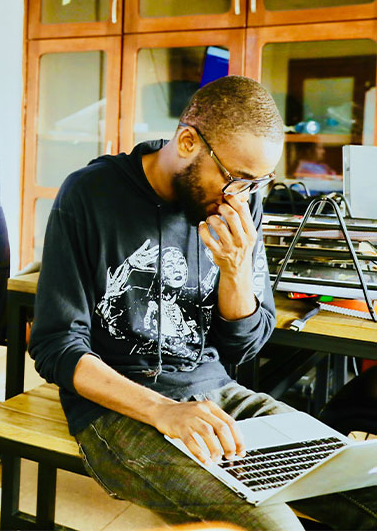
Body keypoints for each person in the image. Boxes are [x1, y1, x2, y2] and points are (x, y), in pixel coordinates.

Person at [28, 76, 377, 530]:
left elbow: (244, 347)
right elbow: (56, 345)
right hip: (117, 409)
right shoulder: (90, 195)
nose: (243, 197)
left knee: (363, 490)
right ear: (188, 141)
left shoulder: (237, 203)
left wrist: (234, 271)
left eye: (257, 184)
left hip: (219, 396)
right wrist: (163, 410)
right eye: (237, 180)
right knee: (275, 524)